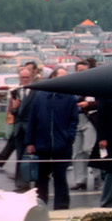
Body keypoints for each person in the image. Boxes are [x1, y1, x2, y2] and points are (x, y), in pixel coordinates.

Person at [25, 71, 80, 210]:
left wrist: (69, 137)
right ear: (53, 78)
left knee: (60, 177)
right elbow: (32, 120)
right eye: (59, 77)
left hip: (62, 145)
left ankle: (61, 206)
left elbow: (74, 121)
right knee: (41, 178)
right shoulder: (40, 96)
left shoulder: (70, 98)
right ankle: (39, 206)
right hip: (42, 144)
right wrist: (30, 142)